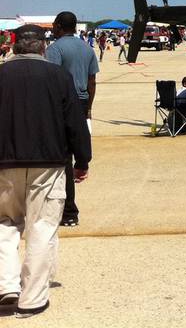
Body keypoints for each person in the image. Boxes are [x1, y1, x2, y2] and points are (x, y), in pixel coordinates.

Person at [0, 24, 92, 318]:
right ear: (42, 47)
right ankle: (33, 298)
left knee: (4, 222)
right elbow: (75, 122)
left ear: (15, 46)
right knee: (41, 226)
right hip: (49, 163)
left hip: (4, 162)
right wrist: (82, 160)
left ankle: (6, 286)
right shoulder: (59, 77)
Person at [44, 11, 98, 228]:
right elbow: (92, 80)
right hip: (82, 101)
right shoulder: (87, 47)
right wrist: (88, 108)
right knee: (75, 151)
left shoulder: (54, 49)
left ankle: (66, 209)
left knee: (62, 156)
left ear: (58, 26)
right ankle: (70, 213)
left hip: (62, 104)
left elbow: (51, 78)